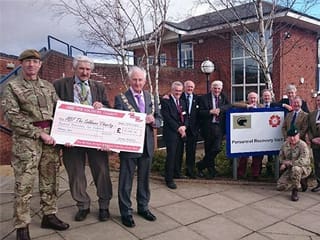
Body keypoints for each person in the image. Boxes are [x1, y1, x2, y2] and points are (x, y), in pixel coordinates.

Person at [1, 49, 69, 240]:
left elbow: (60, 110)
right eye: (27, 61)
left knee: (50, 180)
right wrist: (38, 134)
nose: (31, 64)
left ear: (40, 65)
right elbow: (12, 117)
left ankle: (49, 215)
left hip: (51, 140)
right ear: (21, 64)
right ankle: (22, 225)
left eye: (35, 61)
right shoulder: (12, 87)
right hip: (26, 142)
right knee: (24, 185)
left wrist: (67, 133)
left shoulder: (48, 86)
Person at [53, 56, 112, 222]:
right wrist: (60, 136)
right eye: (81, 69)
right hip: (71, 140)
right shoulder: (60, 85)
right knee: (76, 173)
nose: (85, 72)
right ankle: (83, 205)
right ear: (75, 69)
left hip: (95, 137)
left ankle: (104, 206)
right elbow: (54, 110)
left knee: (102, 171)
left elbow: (109, 108)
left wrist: (104, 106)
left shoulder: (98, 87)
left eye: (88, 69)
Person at [114, 66, 161, 228]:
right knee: (126, 181)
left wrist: (153, 121)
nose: (137, 83)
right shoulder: (121, 98)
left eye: (140, 79)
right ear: (129, 80)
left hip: (147, 145)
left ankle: (143, 207)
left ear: (145, 81)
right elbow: (118, 121)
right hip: (129, 146)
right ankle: (125, 212)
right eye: (134, 79)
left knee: (144, 180)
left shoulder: (150, 97)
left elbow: (159, 118)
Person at [197, 80, 231, 179]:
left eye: (219, 88)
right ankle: (211, 171)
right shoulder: (203, 98)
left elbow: (229, 106)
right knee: (208, 150)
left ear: (221, 89)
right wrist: (210, 111)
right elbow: (199, 112)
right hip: (208, 127)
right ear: (211, 88)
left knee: (217, 148)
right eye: (215, 88)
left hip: (219, 127)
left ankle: (201, 165)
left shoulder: (223, 97)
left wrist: (220, 109)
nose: (217, 90)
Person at [161, 81, 188, 189]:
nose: (178, 93)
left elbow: (187, 116)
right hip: (171, 133)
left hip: (182, 132)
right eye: (176, 91)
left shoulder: (182, 101)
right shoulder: (166, 101)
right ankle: (169, 179)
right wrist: (178, 128)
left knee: (179, 154)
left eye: (180, 91)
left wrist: (184, 127)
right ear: (172, 90)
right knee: (171, 156)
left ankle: (177, 172)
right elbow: (167, 118)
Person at [234, 92, 264, 179]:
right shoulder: (244, 104)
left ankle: (255, 174)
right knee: (243, 157)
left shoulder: (261, 106)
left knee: (257, 157)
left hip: (258, 135)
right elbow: (234, 104)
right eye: (251, 98)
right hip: (245, 135)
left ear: (257, 99)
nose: (253, 100)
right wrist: (247, 106)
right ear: (248, 99)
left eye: (255, 98)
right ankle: (240, 174)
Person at [277, 126, 311, 201]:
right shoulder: (285, 145)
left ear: (298, 135)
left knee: (296, 169)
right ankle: (298, 180)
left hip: (303, 168)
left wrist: (290, 163)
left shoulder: (303, 145)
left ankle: (295, 190)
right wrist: (283, 163)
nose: (292, 138)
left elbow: (304, 161)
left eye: (294, 136)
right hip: (289, 169)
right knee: (280, 187)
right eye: (290, 136)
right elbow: (281, 157)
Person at [180, 80, 200, 178]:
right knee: (178, 151)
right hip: (181, 129)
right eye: (188, 87)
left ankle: (190, 171)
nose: (190, 88)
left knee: (191, 152)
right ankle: (177, 171)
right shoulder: (179, 96)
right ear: (184, 87)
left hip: (193, 129)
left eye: (192, 87)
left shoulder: (197, 98)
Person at [308, 94, 320, 192]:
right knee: (317, 164)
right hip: (315, 144)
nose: (319, 102)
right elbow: (309, 129)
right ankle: (318, 183)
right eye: (318, 100)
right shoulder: (312, 114)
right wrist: (312, 139)